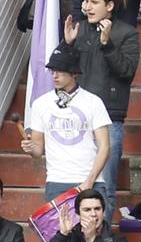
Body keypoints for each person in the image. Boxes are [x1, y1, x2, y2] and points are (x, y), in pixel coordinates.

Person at [63, 0, 137, 206]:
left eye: (94, 2)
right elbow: (61, 73)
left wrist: (107, 44)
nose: (87, 7)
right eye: (86, 1)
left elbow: (126, 71)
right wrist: (67, 45)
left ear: (110, 5)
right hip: (76, 118)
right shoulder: (80, 28)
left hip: (108, 119)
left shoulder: (127, 33)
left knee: (104, 187)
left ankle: (101, 241)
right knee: (72, 182)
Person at [23, 45, 110, 201]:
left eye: (61, 71)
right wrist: (30, 148)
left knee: (93, 225)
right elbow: (37, 152)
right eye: (52, 71)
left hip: (91, 179)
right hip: (57, 180)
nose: (55, 76)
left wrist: (89, 180)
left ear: (74, 73)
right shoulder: (40, 103)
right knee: (57, 226)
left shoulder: (93, 101)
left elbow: (105, 146)